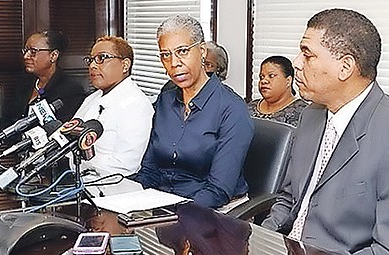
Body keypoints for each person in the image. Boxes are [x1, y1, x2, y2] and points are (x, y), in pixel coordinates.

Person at [261, 9, 389, 255]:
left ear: (345, 67)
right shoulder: (311, 115)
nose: (296, 63)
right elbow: (288, 199)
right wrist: (262, 242)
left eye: (307, 54)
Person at [132, 15, 254, 209]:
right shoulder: (165, 99)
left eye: (182, 51)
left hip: (214, 211)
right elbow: (150, 169)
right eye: (166, 55)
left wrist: (173, 212)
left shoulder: (232, 108)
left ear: (202, 51)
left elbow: (218, 190)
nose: (174, 63)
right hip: (164, 204)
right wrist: (131, 201)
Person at [72, 36, 153, 177]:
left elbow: (125, 166)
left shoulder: (137, 105)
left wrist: (83, 164)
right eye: (91, 60)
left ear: (125, 65)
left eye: (102, 58)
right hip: (76, 180)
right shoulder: (92, 98)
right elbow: (69, 140)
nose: (93, 65)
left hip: (111, 188)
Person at [0, 30, 86, 131]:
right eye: (25, 50)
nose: (26, 56)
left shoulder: (71, 90)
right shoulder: (24, 83)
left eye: (33, 51)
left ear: (53, 56)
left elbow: (62, 130)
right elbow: (6, 120)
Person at [247, 56, 309, 127]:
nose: (264, 81)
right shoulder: (251, 106)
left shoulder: (302, 111)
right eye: (261, 77)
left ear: (288, 81)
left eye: (271, 76)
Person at [160, 40, 229, 93]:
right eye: (200, 61)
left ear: (219, 69)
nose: (202, 67)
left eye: (208, 65)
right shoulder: (170, 88)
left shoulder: (226, 99)